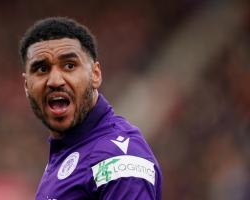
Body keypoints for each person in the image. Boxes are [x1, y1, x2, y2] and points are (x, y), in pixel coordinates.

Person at [19, 17, 162, 200]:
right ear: (26, 85)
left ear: (95, 75)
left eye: (69, 66)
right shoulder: (69, 149)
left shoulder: (118, 161)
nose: (55, 81)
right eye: (41, 69)